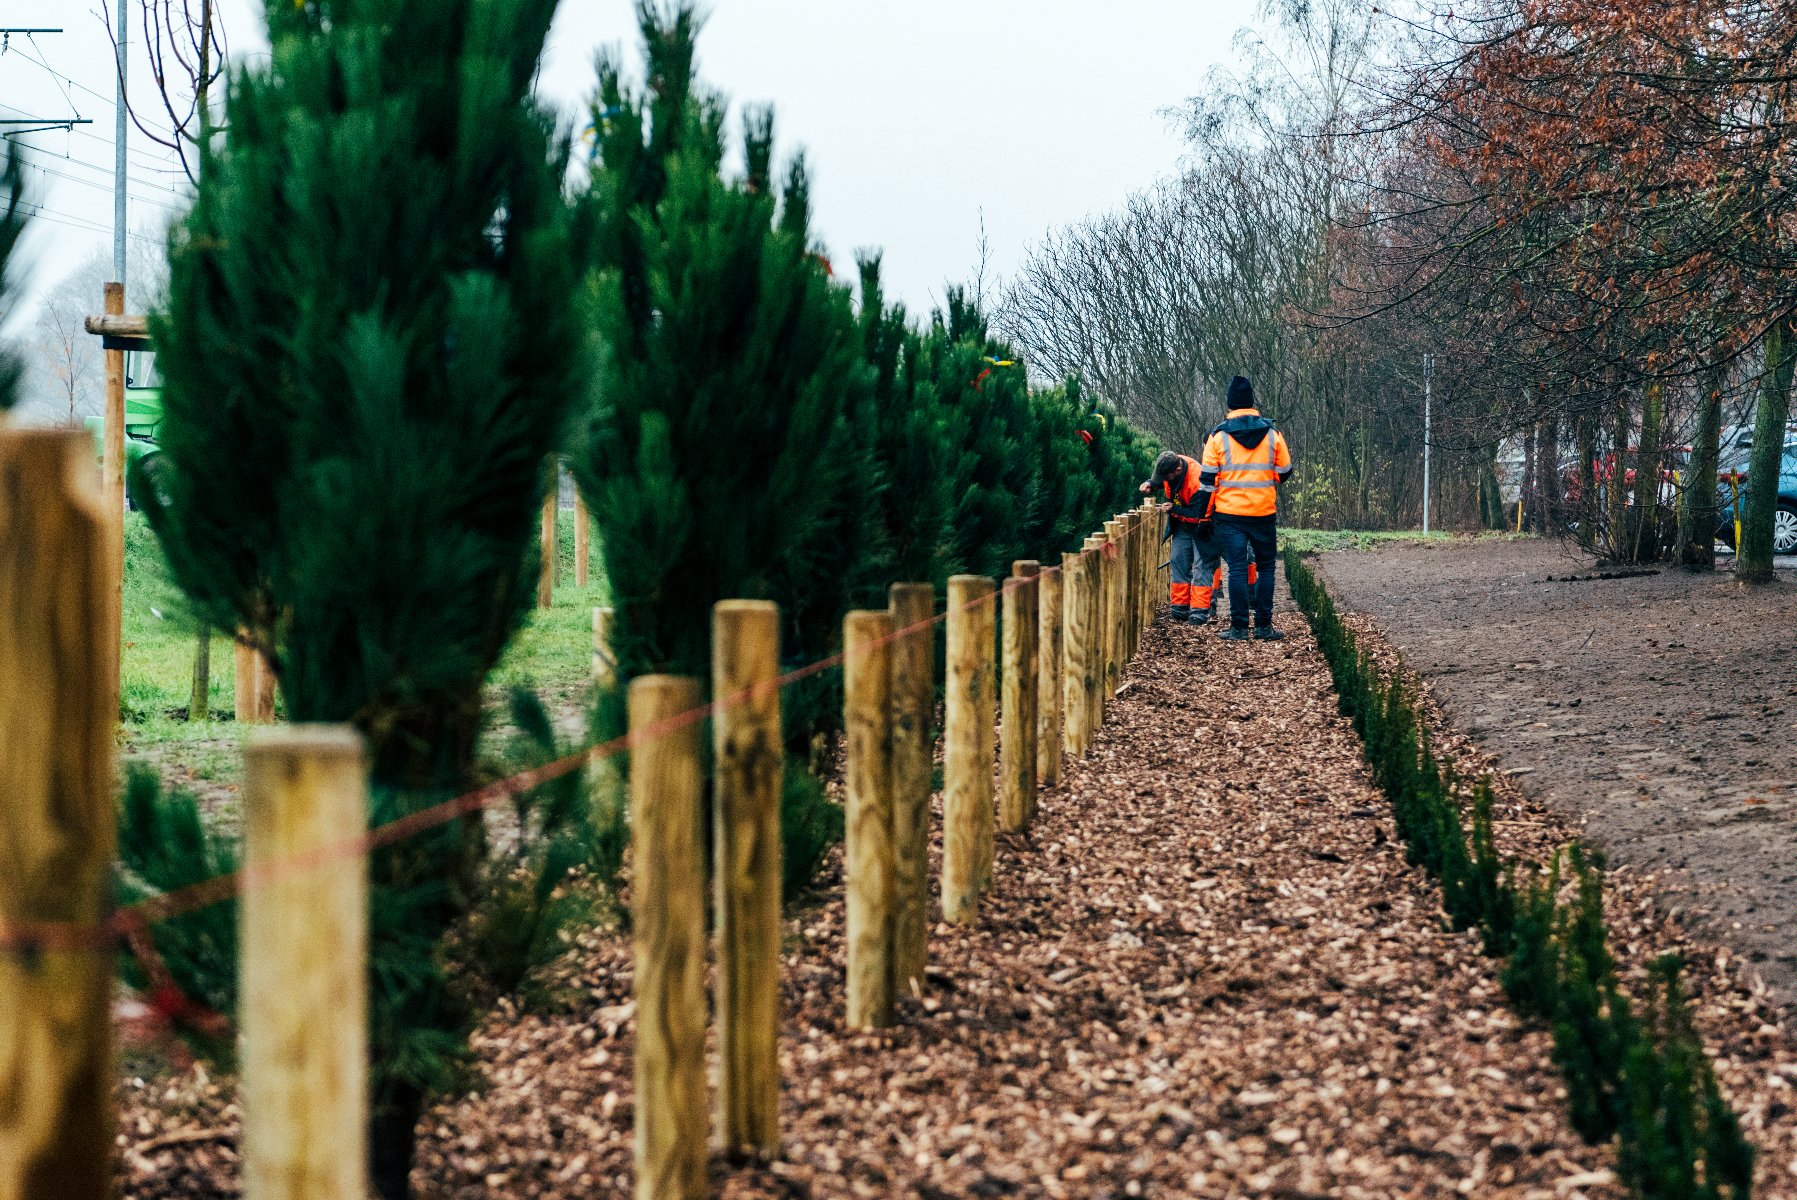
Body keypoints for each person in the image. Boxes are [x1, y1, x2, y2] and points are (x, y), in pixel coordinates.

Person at [1196, 375, 1292, 641]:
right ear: (1252, 401)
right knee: (1267, 568)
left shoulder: (1217, 437)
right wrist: (1266, 479)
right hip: (1263, 512)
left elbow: (1207, 482)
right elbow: (1284, 472)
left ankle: (1238, 628)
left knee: (1237, 569)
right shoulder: (1272, 433)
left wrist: (1202, 517)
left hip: (1230, 514)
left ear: (1229, 404)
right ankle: (1263, 626)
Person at [1139, 450, 1258, 625]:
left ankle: (1199, 612)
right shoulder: (1171, 464)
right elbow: (1160, 480)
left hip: (1204, 524)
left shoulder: (1197, 482)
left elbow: (1197, 514)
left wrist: (1173, 509)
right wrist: (1150, 484)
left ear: (1177, 470)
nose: (1163, 480)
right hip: (1182, 524)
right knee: (1178, 559)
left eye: (1166, 477)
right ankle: (1180, 608)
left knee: (1203, 564)